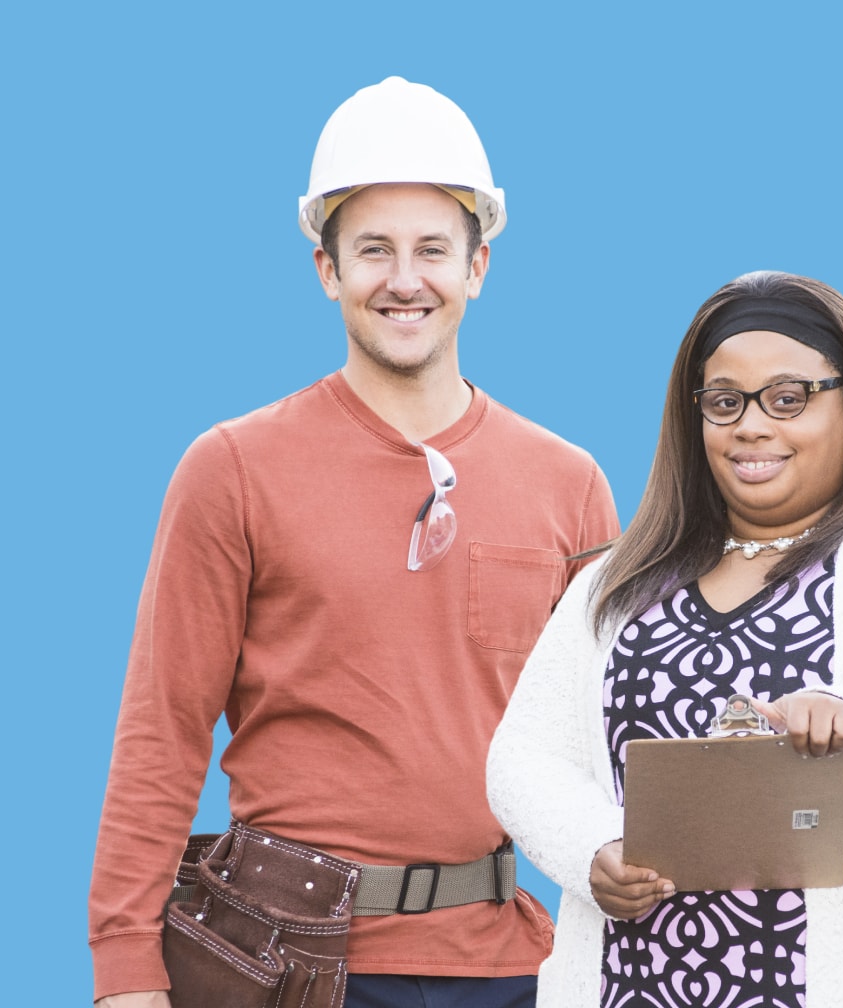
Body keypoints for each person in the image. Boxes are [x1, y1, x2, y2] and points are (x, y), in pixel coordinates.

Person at [88, 77, 618, 1008]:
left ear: (479, 264)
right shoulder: (233, 468)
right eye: (373, 250)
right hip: (284, 964)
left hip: (508, 966)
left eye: (432, 250)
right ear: (328, 269)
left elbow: (608, 740)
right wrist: (127, 975)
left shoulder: (568, 485)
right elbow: (161, 731)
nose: (404, 280)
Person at [487, 270, 843, 1007]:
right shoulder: (619, 580)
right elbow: (525, 755)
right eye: (726, 402)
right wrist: (594, 852)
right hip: (631, 987)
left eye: (789, 398)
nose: (752, 426)